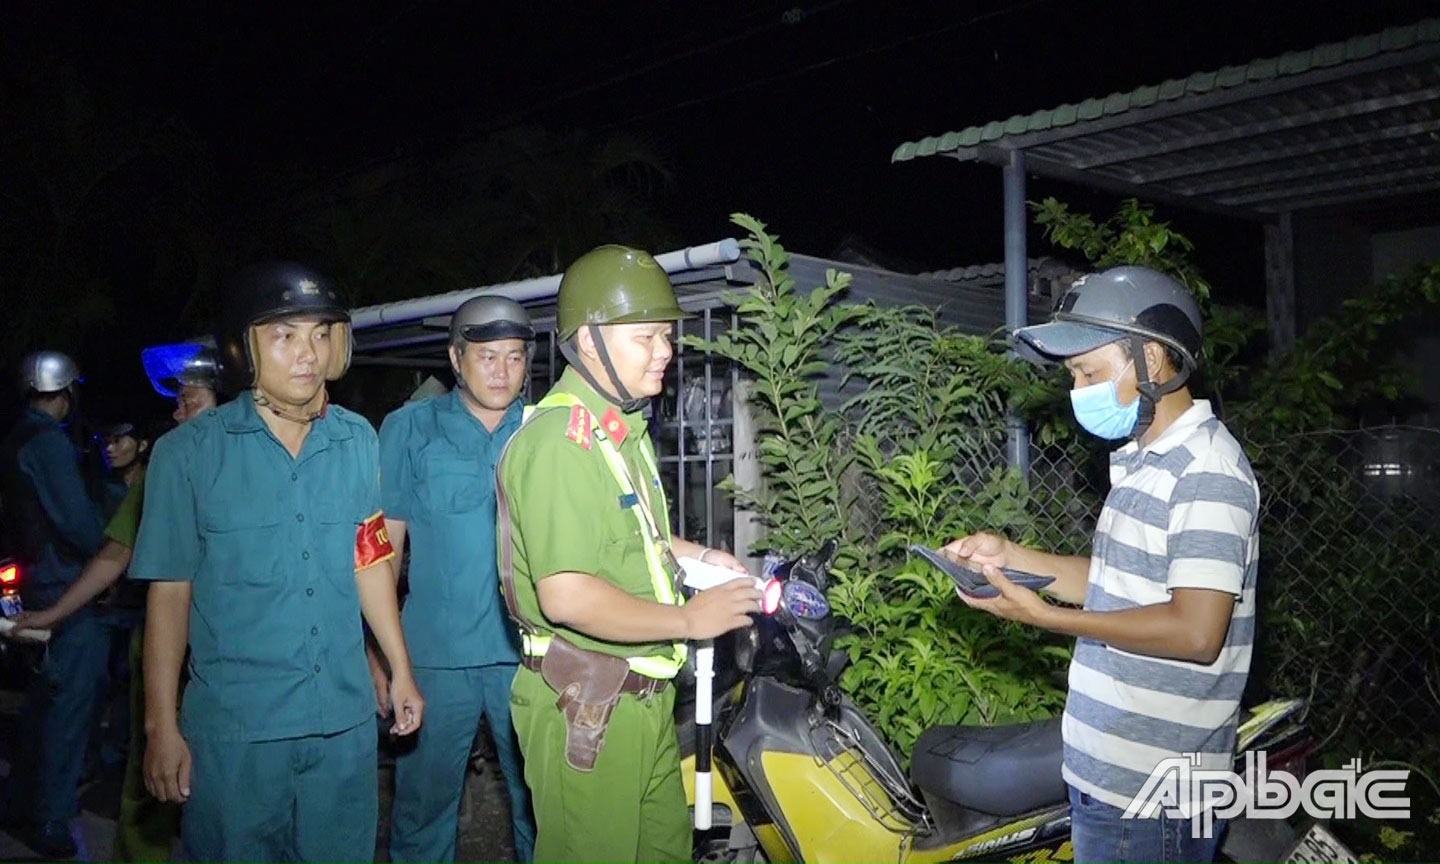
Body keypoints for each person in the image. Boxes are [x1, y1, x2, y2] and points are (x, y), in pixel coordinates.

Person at [943, 266, 1258, 864]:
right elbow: (1117, 583)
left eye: (1089, 371)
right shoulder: (1145, 459)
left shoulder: (1207, 471)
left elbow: (1195, 630)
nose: (1078, 388)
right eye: (1072, 375)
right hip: (1107, 777)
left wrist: (1044, 617)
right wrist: (1009, 556)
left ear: (1156, 361)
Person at [130, 261, 425, 862]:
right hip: (238, 739)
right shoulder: (186, 455)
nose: (307, 353)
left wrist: (399, 667)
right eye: (285, 335)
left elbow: (369, 561)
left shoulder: (357, 440)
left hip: (342, 733)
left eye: (320, 333)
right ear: (245, 349)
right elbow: (170, 595)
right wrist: (161, 726)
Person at [497, 245, 763, 863]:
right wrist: (689, 622)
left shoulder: (618, 430)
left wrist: (699, 555)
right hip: (585, 707)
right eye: (646, 337)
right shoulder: (559, 445)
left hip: (640, 702)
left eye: (666, 336)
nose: (665, 351)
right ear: (589, 343)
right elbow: (564, 594)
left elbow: (631, 536)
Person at [11, 346, 221, 861]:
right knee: (140, 770)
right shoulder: (163, 465)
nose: (177, 412)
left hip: (224, 654)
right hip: (157, 638)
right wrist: (56, 612)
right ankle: (50, 815)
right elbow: (111, 547)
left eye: (188, 401)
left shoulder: (254, 461)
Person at [376, 295, 538, 863]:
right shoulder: (409, 430)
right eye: (487, 356)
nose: (502, 371)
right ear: (456, 358)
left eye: (514, 357)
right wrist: (383, 656)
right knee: (422, 810)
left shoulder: (545, 429)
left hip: (530, 657)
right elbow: (383, 552)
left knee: (541, 808)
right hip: (434, 658)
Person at [0, 350, 109, 858]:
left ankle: (21, 800)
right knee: (68, 706)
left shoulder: (16, 437)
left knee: (41, 702)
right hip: (63, 584)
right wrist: (110, 551)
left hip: (32, 575)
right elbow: (77, 522)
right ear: (62, 394)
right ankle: (49, 817)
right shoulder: (48, 444)